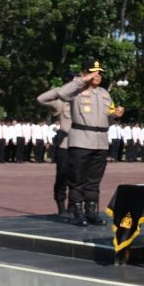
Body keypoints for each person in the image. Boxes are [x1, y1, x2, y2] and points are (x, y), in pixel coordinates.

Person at [37, 60, 124, 226]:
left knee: (94, 180)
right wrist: (81, 80)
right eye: (93, 72)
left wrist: (115, 116)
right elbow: (61, 93)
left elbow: (106, 119)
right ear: (84, 74)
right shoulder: (76, 91)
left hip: (100, 141)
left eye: (99, 73)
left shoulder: (105, 94)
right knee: (78, 178)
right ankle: (77, 212)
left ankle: (91, 211)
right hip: (81, 140)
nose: (97, 75)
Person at [37, 71, 77, 216]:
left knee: (77, 178)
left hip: (80, 144)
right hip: (65, 144)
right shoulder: (62, 102)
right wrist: (60, 91)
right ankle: (61, 206)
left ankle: (74, 206)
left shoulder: (85, 99)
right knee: (62, 176)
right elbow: (41, 99)